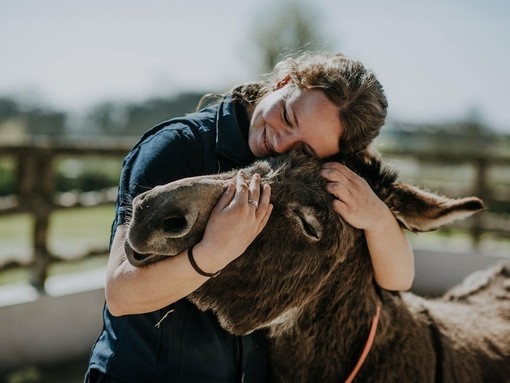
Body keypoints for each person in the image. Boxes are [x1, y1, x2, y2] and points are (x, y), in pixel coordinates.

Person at [85, 51, 414, 382]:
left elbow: (397, 280)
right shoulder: (176, 147)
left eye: (305, 150)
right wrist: (212, 253)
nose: (279, 142)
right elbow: (120, 295)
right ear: (284, 82)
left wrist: (378, 217)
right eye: (287, 116)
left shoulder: (311, 181)